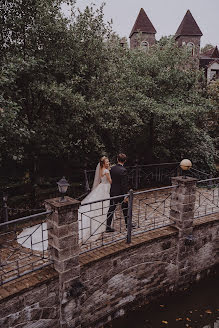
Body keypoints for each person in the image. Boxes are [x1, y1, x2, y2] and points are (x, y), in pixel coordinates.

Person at [78, 156, 112, 243]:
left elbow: (101, 179)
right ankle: (102, 223)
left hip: (101, 187)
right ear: (103, 163)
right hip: (105, 188)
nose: (108, 163)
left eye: (108, 161)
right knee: (104, 204)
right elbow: (110, 181)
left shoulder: (101, 169)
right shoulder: (107, 171)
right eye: (107, 162)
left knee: (99, 204)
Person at [106, 153, 129, 232]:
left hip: (113, 192)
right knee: (126, 209)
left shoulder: (112, 169)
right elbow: (124, 185)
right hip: (121, 194)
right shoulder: (124, 170)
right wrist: (126, 196)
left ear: (117, 159)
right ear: (125, 161)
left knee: (111, 209)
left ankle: (107, 226)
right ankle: (128, 225)